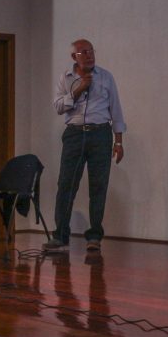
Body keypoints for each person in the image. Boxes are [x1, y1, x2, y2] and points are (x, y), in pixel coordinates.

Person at [44, 39, 126, 253]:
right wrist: (79, 89)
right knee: (66, 185)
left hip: (100, 134)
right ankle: (60, 236)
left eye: (91, 51)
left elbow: (116, 109)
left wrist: (118, 141)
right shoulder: (66, 78)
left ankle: (94, 237)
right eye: (83, 52)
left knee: (98, 186)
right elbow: (58, 107)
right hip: (74, 135)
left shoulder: (106, 77)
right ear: (74, 57)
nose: (89, 55)